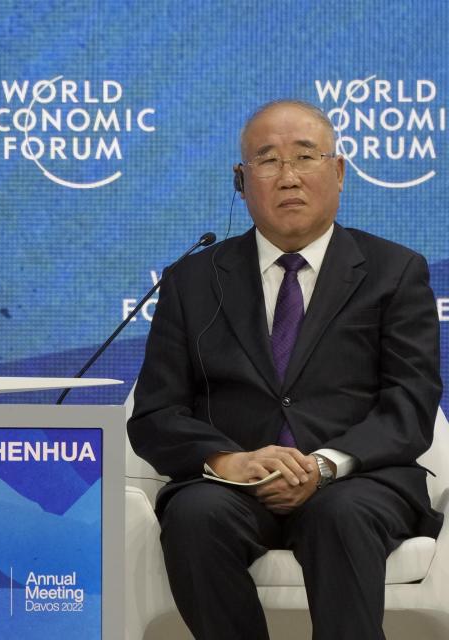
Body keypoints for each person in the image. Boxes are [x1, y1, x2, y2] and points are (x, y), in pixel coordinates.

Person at [127, 99, 443, 640]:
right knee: (195, 516)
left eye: (305, 156)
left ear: (339, 171)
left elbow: (410, 406)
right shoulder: (193, 280)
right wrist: (229, 461)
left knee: (339, 516)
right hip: (232, 485)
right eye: (267, 161)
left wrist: (322, 466)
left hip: (357, 480)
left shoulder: (395, 272)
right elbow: (155, 413)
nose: (288, 177)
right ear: (240, 180)